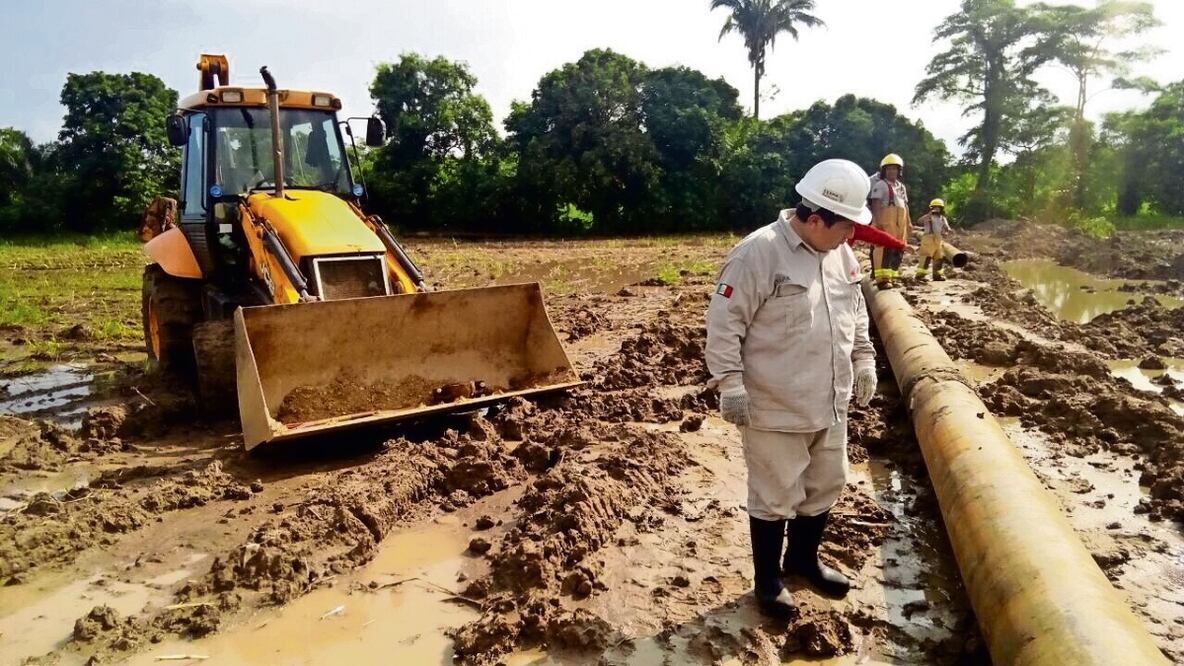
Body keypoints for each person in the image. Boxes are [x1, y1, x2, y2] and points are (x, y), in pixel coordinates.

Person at [705, 159, 878, 619]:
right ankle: (768, 581)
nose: (852, 237)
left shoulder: (840, 254)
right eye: (847, 226)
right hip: (775, 406)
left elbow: (855, 313)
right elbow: (724, 326)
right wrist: (730, 384)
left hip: (830, 401)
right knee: (774, 493)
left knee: (825, 484)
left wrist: (864, 358)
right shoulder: (758, 253)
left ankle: (802, 561)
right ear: (817, 218)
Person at [868, 153, 910, 289]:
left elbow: (905, 205)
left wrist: (909, 222)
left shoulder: (901, 187)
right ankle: (882, 279)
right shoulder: (881, 185)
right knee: (884, 248)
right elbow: (876, 203)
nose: (892, 171)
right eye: (889, 169)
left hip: (900, 222)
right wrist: (876, 221)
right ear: (884, 171)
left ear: (899, 171)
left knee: (898, 249)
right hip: (886, 220)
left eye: (894, 169)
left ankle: (891, 276)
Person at [915, 198, 952, 281]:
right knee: (926, 257)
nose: (936, 209)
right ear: (931, 208)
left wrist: (947, 232)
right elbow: (919, 221)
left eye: (938, 207)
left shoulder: (943, 218)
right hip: (928, 238)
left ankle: (937, 275)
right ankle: (920, 275)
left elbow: (947, 228)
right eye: (934, 207)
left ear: (941, 209)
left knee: (939, 258)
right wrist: (928, 214)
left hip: (938, 239)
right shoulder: (927, 217)